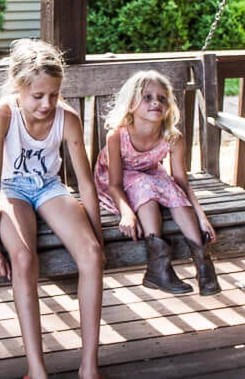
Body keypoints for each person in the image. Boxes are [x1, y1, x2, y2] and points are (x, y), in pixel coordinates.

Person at [0, 39, 104, 379]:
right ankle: (37, 370)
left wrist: (97, 236)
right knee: (22, 258)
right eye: (38, 96)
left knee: (92, 256)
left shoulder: (68, 119)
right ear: (19, 88)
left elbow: (86, 182)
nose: (47, 104)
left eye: (54, 94)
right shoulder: (3, 113)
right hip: (11, 189)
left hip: (48, 187)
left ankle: (89, 367)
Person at [94, 70, 222, 296]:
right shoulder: (117, 135)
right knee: (144, 185)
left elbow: (181, 181)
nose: (156, 102)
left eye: (162, 98)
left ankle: (203, 265)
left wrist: (202, 217)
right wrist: (126, 213)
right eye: (147, 97)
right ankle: (158, 268)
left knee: (168, 187)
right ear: (132, 103)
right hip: (116, 180)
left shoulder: (172, 137)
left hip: (150, 174)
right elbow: (114, 183)